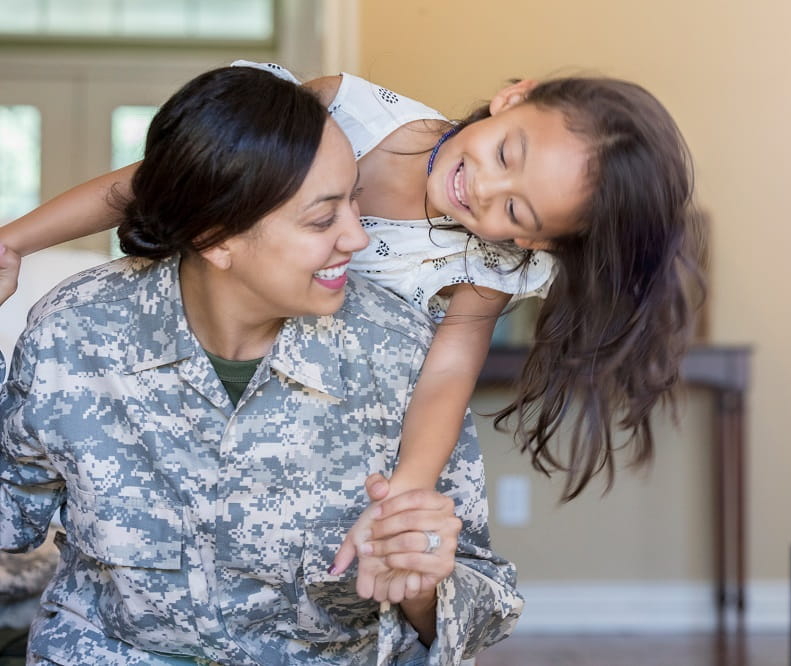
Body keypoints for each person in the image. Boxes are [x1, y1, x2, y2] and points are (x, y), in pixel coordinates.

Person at [0, 60, 703, 566]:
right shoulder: (351, 112)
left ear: (531, 243)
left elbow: (449, 371)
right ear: (511, 97)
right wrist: (15, 242)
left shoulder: (491, 264)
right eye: (504, 153)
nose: (485, 188)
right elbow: (164, 184)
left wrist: (404, 496)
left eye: (515, 212)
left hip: (317, 399)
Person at [0, 66, 521, 666]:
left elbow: (480, 604)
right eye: (323, 218)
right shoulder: (76, 329)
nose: (357, 237)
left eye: (355, 200)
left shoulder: (402, 353)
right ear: (215, 235)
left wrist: (424, 582)